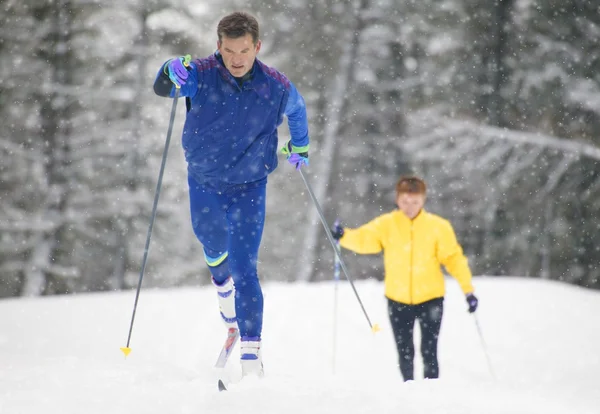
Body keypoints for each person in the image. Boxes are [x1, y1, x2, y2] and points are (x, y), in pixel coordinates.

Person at [153, 11, 310, 377]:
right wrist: (167, 68)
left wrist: (300, 146)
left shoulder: (276, 85)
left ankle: (251, 359)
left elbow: (298, 111)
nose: (237, 59)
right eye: (229, 50)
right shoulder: (202, 75)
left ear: (257, 46)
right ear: (218, 47)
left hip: (250, 186)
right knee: (210, 240)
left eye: (244, 50)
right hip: (205, 181)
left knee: (246, 268)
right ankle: (222, 291)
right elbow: (163, 89)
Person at [331, 176, 478, 381]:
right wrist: (343, 235)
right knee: (405, 352)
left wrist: (468, 291)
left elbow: (455, 259)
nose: (410, 207)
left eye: (415, 202)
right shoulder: (387, 224)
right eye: (405, 201)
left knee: (429, 351)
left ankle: (431, 394)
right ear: (398, 200)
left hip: (431, 299)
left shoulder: (438, 227)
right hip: (397, 299)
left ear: (423, 200)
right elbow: (365, 239)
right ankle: (408, 392)